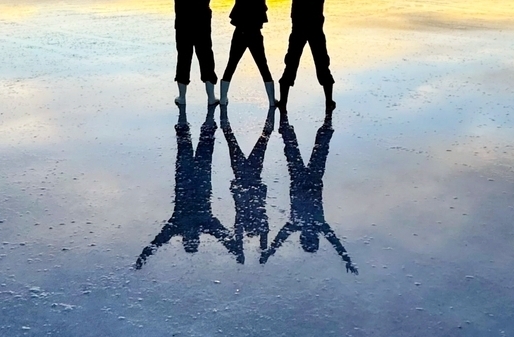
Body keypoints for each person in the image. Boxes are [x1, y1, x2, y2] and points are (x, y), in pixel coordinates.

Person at [132, 0, 239, 107]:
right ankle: (211, 98)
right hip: (202, 26)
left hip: (183, 27)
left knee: (184, 58)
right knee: (206, 58)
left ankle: (182, 97)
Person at [135, 102, 240, 268]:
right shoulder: (203, 223)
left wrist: (143, 257)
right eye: (194, 239)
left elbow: (157, 243)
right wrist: (235, 251)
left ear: (185, 238)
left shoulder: (180, 224)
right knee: (196, 143)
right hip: (195, 178)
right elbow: (224, 237)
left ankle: (193, 110)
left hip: (189, 178)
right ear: (197, 238)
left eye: (189, 239)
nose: (191, 237)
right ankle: (202, 111)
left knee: (193, 143)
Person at [267, 0, 361, 112]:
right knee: (322, 64)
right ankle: (328, 102)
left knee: (291, 64)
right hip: (315, 31)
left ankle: (284, 103)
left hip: (299, 31)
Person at [260, 109, 356, 273]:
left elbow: (334, 242)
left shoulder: (309, 225)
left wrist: (270, 252)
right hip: (307, 180)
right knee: (296, 149)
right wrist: (269, 252)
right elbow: (335, 242)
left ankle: (323, 120)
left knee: (313, 149)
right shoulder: (303, 225)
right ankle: (292, 122)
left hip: (308, 180)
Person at [219, 0, 275, 107]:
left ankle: (222, 99)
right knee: (263, 65)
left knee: (231, 64)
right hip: (254, 32)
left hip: (240, 31)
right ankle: (272, 101)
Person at [220, 101, 274, 261]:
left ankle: (224, 114)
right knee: (233, 141)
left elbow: (260, 234)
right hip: (245, 174)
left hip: (250, 173)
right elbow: (244, 234)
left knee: (262, 140)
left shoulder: (246, 216)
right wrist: (256, 251)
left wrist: (261, 250)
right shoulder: (244, 217)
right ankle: (224, 116)